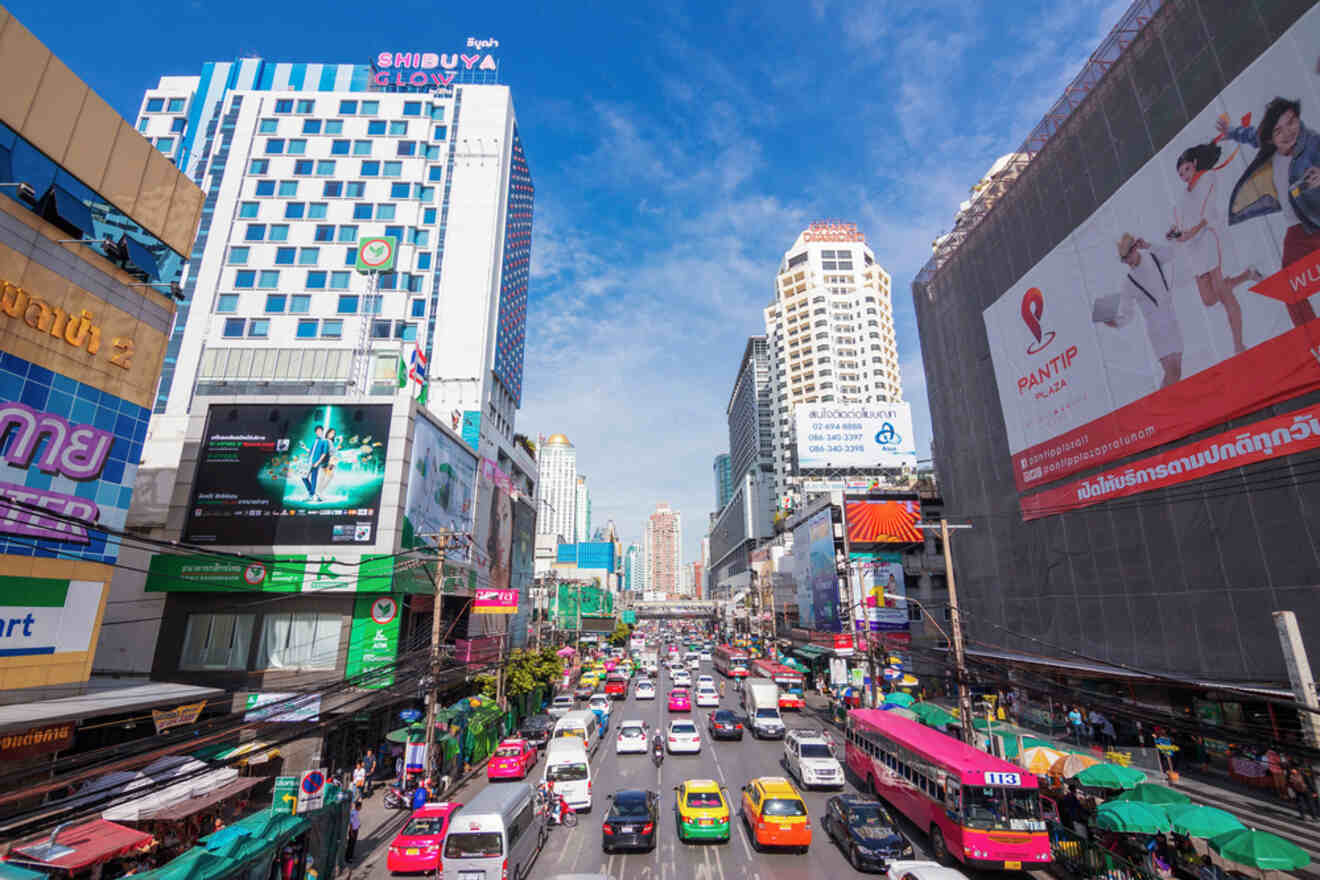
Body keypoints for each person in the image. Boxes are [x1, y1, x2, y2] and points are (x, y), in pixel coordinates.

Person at [1220, 97, 1320, 327]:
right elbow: (1252, 136)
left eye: (1291, 122)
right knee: (1291, 287)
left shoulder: (1313, 143)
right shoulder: (1271, 149)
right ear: (1271, 138)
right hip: (1297, 230)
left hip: (1316, 221)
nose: (1287, 133)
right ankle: (1313, 339)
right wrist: (1231, 132)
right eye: (1278, 131)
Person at [1170, 141, 1260, 354]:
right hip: (1193, 249)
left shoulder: (1208, 178)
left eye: (1187, 169)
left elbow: (1207, 212)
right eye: (1181, 174)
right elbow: (1183, 220)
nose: (1185, 175)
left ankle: (1239, 346)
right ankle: (1247, 275)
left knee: (1224, 294)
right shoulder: (1184, 195)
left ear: (1194, 163)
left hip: (1209, 239)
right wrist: (1176, 231)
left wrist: (1192, 231)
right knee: (1209, 299)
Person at [1102, 235, 1185, 389]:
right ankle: (1164, 407)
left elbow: (1171, 253)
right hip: (1156, 328)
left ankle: (1164, 404)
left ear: (1135, 248)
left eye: (1128, 256)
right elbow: (1128, 313)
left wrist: (1148, 245)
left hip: (1171, 320)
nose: (1127, 261)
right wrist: (1114, 322)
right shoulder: (1128, 282)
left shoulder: (1153, 256)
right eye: (1124, 259)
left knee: (1177, 372)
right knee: (1171, 373)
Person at [301, 426, 330, 501]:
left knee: (313, 478)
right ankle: (312, 492)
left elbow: (324, 454)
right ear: (316, 432)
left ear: (322, 432)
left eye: (320, 431)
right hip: (309, 461)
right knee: (304, 477)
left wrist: (318, 462)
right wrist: (304, 447)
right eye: (317, 431)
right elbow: (311, 452)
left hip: (315, 462)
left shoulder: (324, 441)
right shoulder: (315, 441)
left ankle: (311, 495)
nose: (319, 432)